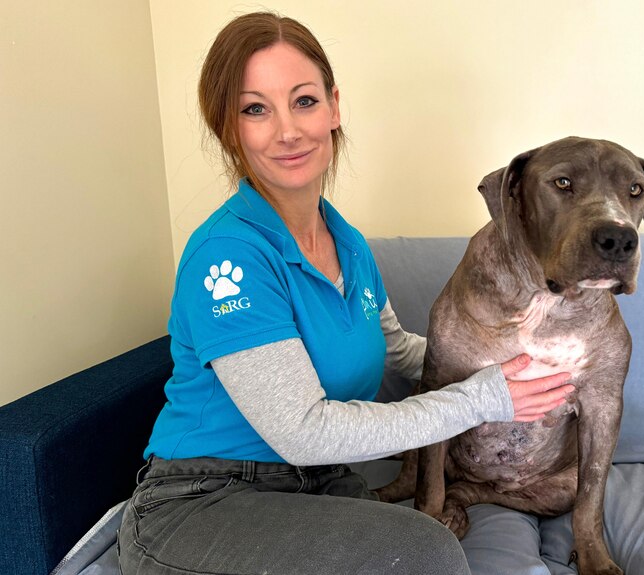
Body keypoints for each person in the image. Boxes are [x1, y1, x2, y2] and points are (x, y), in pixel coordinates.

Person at [117, 11, 574, 575]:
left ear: (334, 107)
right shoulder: (229, 257)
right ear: (227, 128)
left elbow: (397, 348)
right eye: (255, 109)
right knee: (428, 555)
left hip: (317, 485)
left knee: (421, 544)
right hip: (205, 500)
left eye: (304, 101)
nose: (288, 130)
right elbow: (304, 433)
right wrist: (482, 399)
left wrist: (502, 363)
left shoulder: (347, 242)